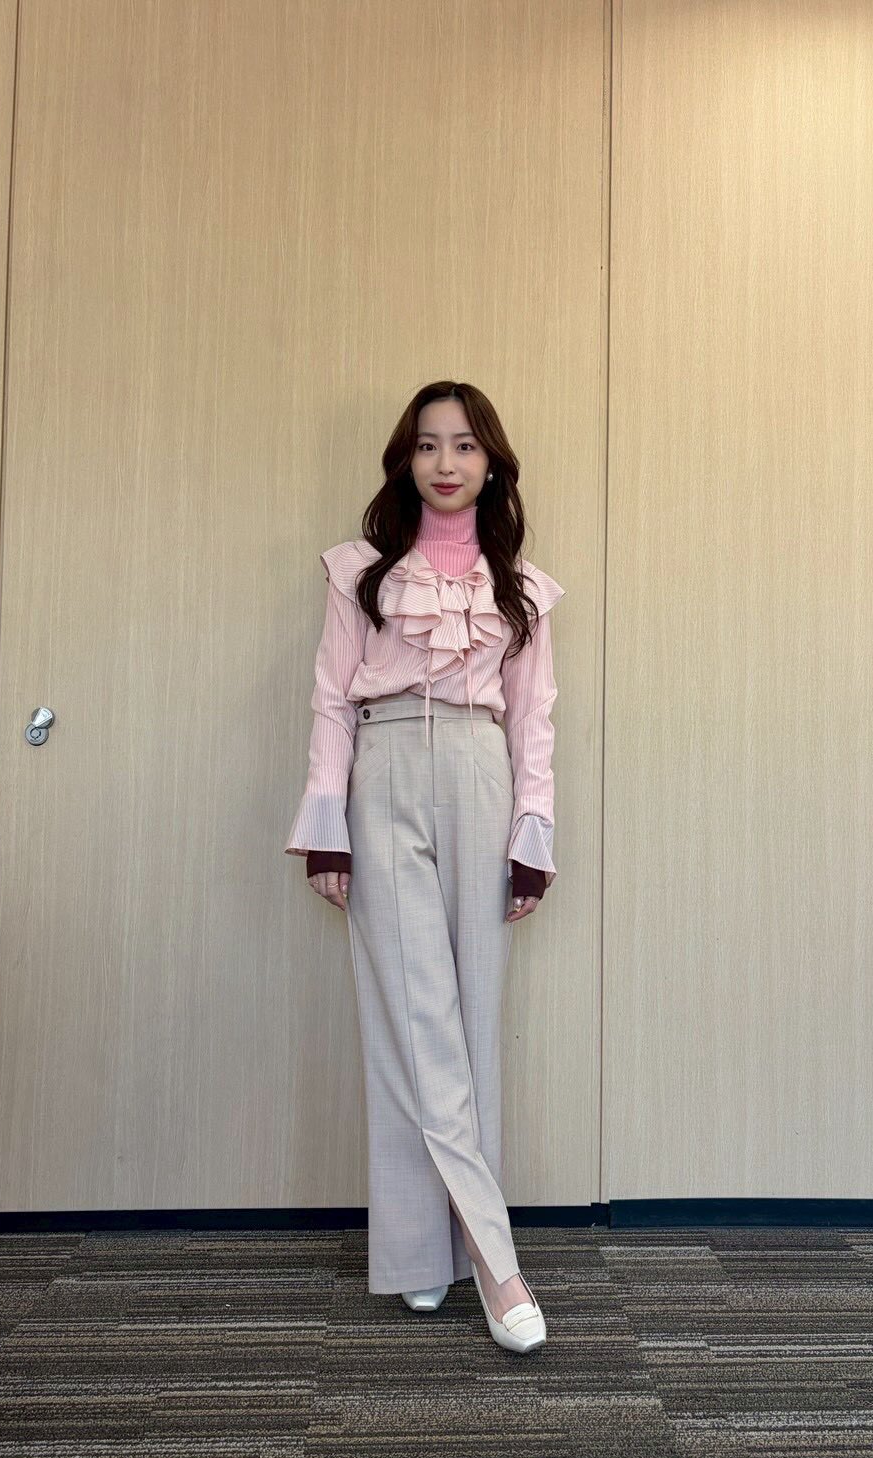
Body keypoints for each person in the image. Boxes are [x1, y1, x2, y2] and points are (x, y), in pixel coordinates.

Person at [285, 380, 564, 1355]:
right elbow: (331, 698)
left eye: (465, 445)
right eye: (428, 444)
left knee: (471, 1023)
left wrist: (532, 836)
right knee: (413, 1020)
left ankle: (430, 1252)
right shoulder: (360, 572)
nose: (447, 462)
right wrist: (327, 824)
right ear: (406, 459)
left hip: (482, 776)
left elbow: (535, 722)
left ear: (492, 463)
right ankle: (490, 1260)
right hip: (387, 764)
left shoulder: (521, 588)